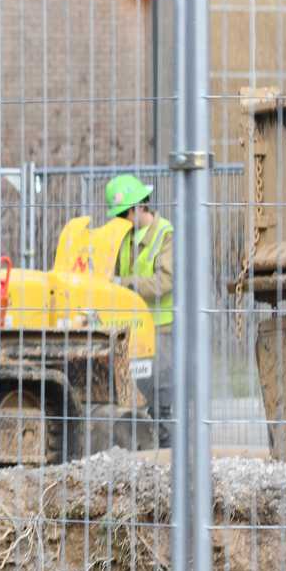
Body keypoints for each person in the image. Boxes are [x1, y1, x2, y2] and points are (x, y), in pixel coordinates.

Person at [104, 172, 174, 420]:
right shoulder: (123, 238)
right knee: (135, 389)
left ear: (139, 206)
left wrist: (125, 285)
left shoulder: (164, 234)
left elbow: (165, 280)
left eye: (124, 214)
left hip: (161, 327)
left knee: (162, 392)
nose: (122, 220)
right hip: (130, 328)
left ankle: (167, 446)